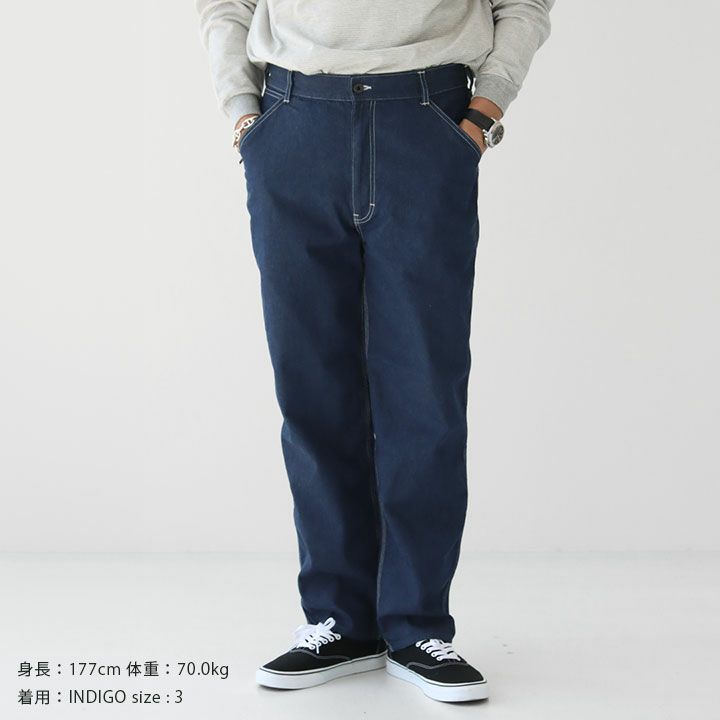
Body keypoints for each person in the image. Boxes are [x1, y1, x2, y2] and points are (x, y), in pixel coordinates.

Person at [196, 0, 553, 703]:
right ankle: (339, 620)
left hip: (427, 117)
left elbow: (523, 5)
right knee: (312, 388)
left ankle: (418, 625)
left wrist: (483, 112)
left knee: (425, 388)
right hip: (292, 119)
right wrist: (243, 112)